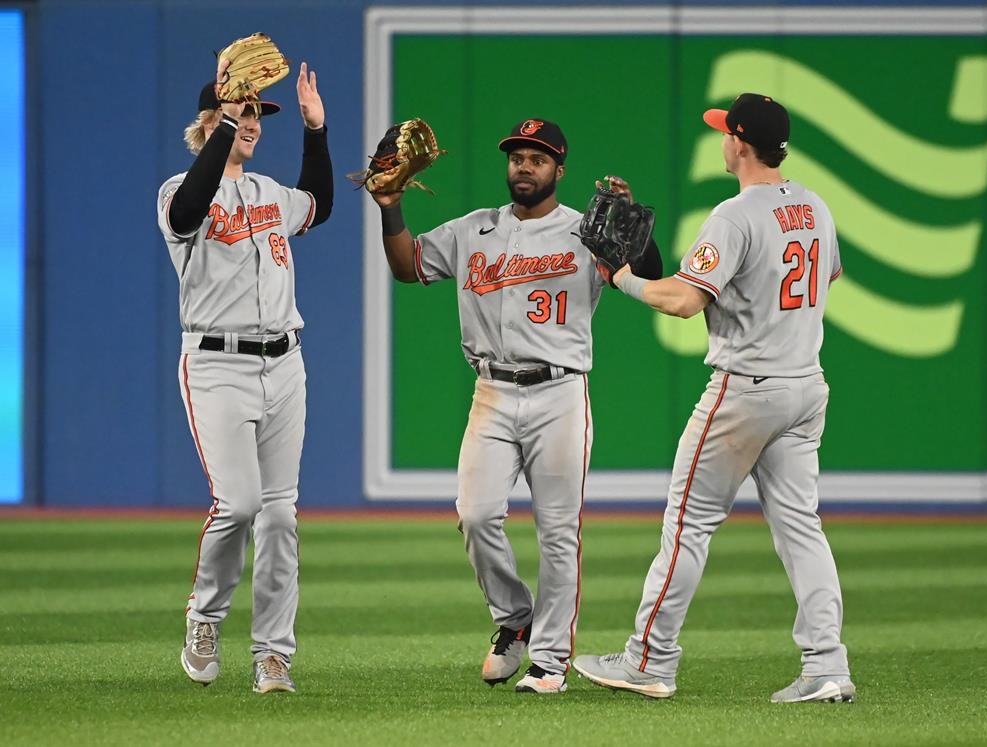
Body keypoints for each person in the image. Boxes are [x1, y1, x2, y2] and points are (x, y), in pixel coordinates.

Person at [573, 93, 855, 703]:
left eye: (726, 132)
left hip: (745, 391)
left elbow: (682, 301)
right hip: (804, 388)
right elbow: (825, 276)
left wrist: (621, 277)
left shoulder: (734, 215)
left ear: (742, 143)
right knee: (802, 529)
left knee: (687, 525)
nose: (721, 139)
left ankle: (649, 659)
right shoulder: (815, 205)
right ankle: (828, 665)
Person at [367, 119, 661, 693]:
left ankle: (550, 661)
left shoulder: (586, 231)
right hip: (492, 392)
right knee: (475, 515)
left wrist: (631, 232)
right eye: (517, 156)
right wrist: (390, 207)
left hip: (559, 393)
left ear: (559, 170)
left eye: (538, 157)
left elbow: (649, 277)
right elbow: (407, 267)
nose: (525, 165)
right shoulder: (473, 229)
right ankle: (514, 618)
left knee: (557, 532)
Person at [156, 59, 332, 694]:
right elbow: (189, 211)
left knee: (281, 515)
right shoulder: (179, 189)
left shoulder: (270, 194)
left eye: (259, 112)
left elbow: (321, 203)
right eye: (243, 110)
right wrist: (225, 125)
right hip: (215, 365)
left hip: (285, 363)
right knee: (239, 504)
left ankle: (272, 655)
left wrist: (316, 130)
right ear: (212, 120)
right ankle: (204, 619)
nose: (255, 121)